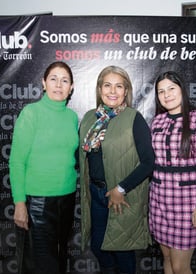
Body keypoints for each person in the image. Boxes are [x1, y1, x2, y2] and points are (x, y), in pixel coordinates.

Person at [79, 65, 154, 274]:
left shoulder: (134, 118)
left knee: (122, 250)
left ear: (126, 91)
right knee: (97, 246)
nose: (113, 91)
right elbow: (83, 157)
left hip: (122, 196)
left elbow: (148, 162)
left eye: (118, 86)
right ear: (100, 89)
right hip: (96, 193)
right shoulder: (89, 118)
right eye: (108, 85)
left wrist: (121, 189)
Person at [9, 61, 78, 274]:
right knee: (40, 263)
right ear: (44, 83)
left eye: (64, 80)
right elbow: (16, 161)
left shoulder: (72, 117)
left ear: (71, 87)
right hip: (38, 202)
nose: (59, 84)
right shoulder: (31, 113)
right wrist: (20, 204)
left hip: (67, 199)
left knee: (60, 257)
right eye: (53, 79)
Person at [149, 71, 196, 274]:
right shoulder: (157, 121)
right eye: (161, 91)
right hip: (159, 203)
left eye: (171, 88)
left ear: (182, 90)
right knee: (168, 259)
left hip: (187, 205)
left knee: (180, 267)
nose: (166, 94)